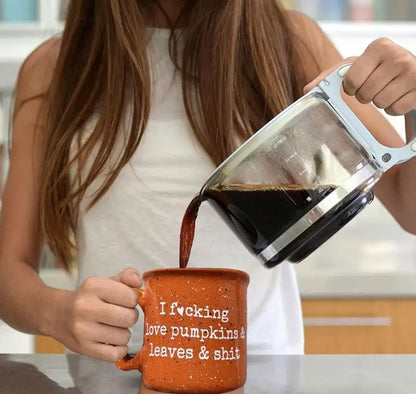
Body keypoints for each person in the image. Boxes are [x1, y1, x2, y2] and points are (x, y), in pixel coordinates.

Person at [0, 0, 415, 362]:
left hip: (263, 384)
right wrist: (54, 313)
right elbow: (8, 271)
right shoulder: (55, 68)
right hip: (109, 386)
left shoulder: (290, 41)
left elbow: (408, 207)